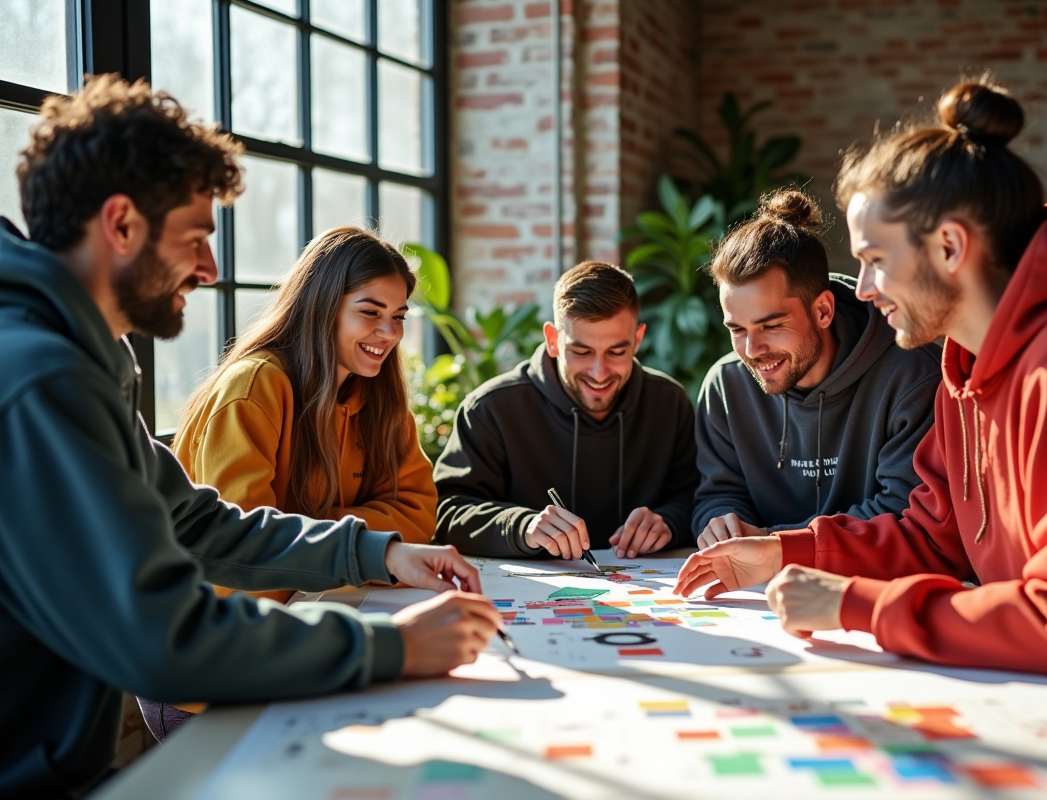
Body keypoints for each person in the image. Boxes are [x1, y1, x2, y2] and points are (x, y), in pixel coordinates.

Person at [0, 76, 499, 798]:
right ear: (121, 224)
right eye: (196, 239)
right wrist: (393, 644)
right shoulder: (43, 377)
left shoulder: (82, 362)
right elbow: (163, 637)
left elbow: (195, 518)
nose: (209, 269)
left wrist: (376, 551)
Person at [674, 79, 1047, 726]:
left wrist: (856, 607)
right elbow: (933, 534)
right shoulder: (964, 368)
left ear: (950, 248)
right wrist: (783, 552)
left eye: (874, 260)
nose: (862, 289)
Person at [137, 225, 439, 738]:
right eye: (370, 312)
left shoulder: (379, 397)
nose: (388, 333)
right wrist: (350, 544)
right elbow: (240, 557)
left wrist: (313, 533)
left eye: (399, 317)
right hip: (211, 672)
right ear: (322, 306)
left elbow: (419, 513)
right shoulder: (256, 386)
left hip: (299, 648)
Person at [693, 188, 939, 548]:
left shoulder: (912, 375)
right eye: (737, 329)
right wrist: (721, 524)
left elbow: (904, 513)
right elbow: (717, 494)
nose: (752, 350)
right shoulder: (726, 386)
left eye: (771, 326)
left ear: (823, 310)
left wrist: (775, 543)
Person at [434, 261, 698, 560]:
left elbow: (696, 496)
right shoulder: (490, 408)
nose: (599, 373)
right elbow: (448, 512)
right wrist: (523, 527)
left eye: (616, 352)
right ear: (552, 341)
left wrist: (669, 522)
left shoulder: (669, 402)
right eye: (581, 352)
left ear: (637, 340)